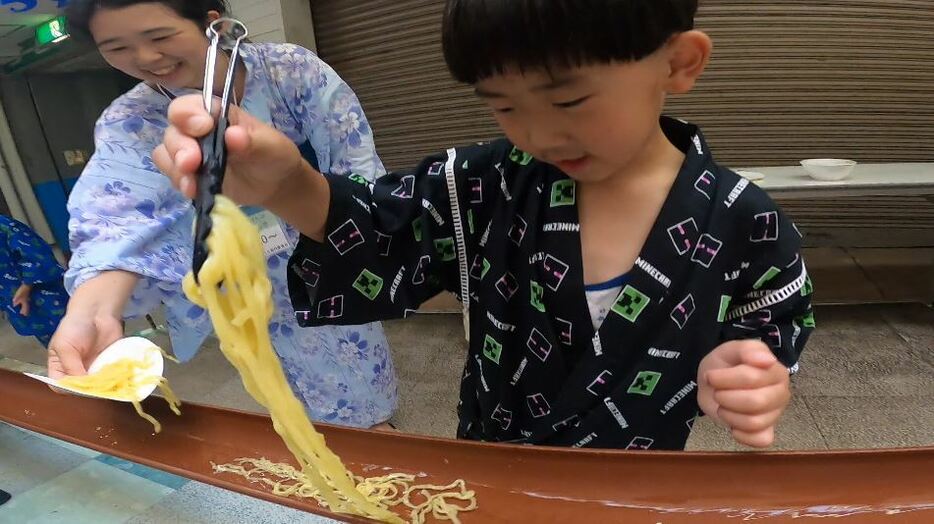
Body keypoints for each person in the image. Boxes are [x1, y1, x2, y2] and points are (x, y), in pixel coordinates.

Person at [156, 0, 815, 450]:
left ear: (679, 64)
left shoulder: (741, 219)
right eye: (503, 105)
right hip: (491, 473)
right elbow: (387, 231)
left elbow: (773, 321)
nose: (536, 132)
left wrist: (753, 370)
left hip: (633, 484)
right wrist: (291, 184)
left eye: (568, 98)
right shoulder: (490, 181)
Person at [53, 0, 397, 429]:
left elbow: (358, 167)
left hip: (325, 261)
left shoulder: (287, 71)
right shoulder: (129, 120)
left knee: (362, 391)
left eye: (159, 37)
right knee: (282, 395)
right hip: (237, 286)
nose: (144, 59)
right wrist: (90, 313)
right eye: (116, 47)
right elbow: (116, 216)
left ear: (212, 24)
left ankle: (377, 441)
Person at [0, 216, 68, 347]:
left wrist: (27, 286)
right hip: (13, 298)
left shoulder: (5, 226)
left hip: (42, 292)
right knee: (53, 344)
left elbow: (35, 253)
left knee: (70, 330)